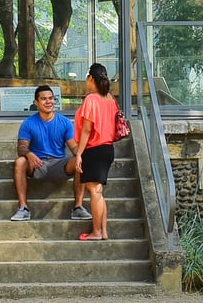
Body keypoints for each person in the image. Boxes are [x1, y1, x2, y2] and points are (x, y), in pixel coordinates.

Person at [10, 84, 75, 221]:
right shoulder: (28, 123)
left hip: (59, 164)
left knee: (82, 160)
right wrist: (29, 154)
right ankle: (23, 208)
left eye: (51, 98)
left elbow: (74, 147)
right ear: (36, 102)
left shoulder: (65, 122)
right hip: (38, 165)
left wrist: (82, 154)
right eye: (44, 99)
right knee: (20, 161)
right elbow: (21, 148)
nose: (48, 102)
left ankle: (78, 208)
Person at [71, 64, 120, 241]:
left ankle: (97, 232)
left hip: (94, 148)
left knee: (95, 191)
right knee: (98, 192)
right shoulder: (110, 99)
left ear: (91, 78)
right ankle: (103, 231)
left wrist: (79, 153)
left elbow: (86, 130)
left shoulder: (91, 99)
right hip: (107, 148)